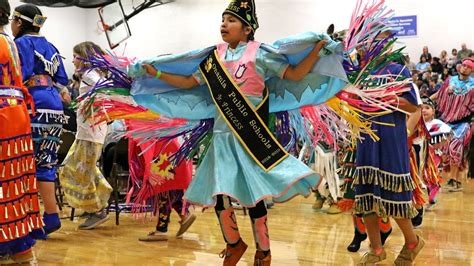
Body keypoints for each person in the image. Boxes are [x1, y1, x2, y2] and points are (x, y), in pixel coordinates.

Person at [139, 1, 331, 264]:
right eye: (223, 19)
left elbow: (296, 74)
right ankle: (234, 244)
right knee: (220, 197)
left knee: (254, 196)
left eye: (231, 20)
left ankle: (263, 251)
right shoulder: (213, 58)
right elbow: (187, 82)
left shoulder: (260, 54)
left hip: (250, 138)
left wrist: (317, 50)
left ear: (247, 28)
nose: (224, 24)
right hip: (221, 138)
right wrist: (157, 72)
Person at [353, 27, 425, 265]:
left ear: (389, 44)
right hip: (365, 138)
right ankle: (376, 249)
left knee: (395, 197)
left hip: (391, 139)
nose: (370, 44)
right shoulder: (361, 74)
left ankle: (412, 241)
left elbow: (412, 107)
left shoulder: (398, 71)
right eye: (367, 40)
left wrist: (385, 97)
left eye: (379, 40)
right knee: (366, 198)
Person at [11, 3, 68, 239]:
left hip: (34, 104)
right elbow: (62, 78)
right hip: (54, 107)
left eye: (14, 22)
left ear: (19, 22)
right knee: (46, 162)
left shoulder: (22, 44)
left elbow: (18, 75)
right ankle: (51, 216)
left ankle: (25, 221)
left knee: (23, 163)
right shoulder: (51, 45)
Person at [0, 1, 42, 263]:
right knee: (12, 184)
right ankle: (19, 249)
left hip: (4, 115)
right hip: (17, 112)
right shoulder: (10, 41)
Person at [59, 42, 113, 230]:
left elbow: (103, 95)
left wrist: (94, 109)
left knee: (82, 170)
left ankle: (98, 209)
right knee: (75, 168)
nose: (72, 59)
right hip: (87, 131)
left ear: (83, 58)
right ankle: (95, 202)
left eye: (75, 56)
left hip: (91, 133)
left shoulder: (91, 76)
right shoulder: (90, 75)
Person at [431, 57, 474, 192]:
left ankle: (455, 180)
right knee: (446, 150)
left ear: (472, 70)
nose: (464, 67)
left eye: (468, 66)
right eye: (463, 65)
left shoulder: (473, 85)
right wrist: (425, 99)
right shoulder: (450, 81)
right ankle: (452, 179)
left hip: (464, 122)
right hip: (448, 120)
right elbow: (439, 94)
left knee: (455, 146)